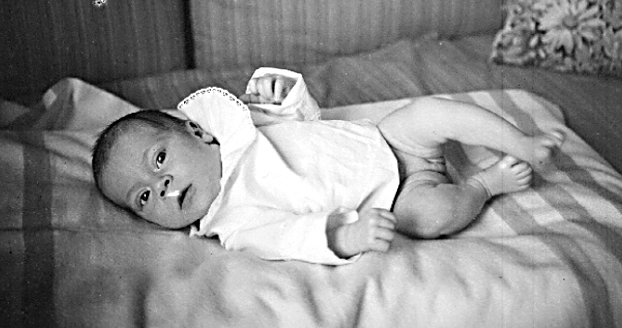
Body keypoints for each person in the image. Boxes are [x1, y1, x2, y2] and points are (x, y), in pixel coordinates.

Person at [92, 68, 564, 265]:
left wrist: (283, 98)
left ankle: (520, 142)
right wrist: (345, 237)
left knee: (430, 112)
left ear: (196, 133)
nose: (163, 185)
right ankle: (485, 185)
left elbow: (308, 122)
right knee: (431, 217)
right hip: (395, 197)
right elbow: (289, 237)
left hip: (385, 137)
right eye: (144, 197)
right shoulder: (233, 222)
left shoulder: (238, 125)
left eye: (159, 159)